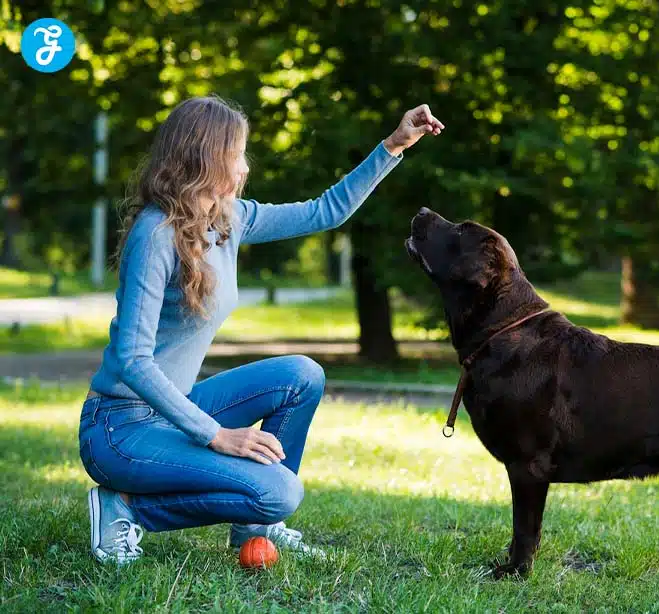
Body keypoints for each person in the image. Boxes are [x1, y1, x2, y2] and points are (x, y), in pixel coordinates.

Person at [78, 95, 444, 565]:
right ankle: (124, 506)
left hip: (173, 410)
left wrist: (393, 145)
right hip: (119, 428)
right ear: (206, 158)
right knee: (280, 491)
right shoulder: (156, 235)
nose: (245, 167)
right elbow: (132, 360)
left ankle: (255, 525)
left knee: (301, 375)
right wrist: (216, 434)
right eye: (237, 154)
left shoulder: (228, 219)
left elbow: (324, 211)